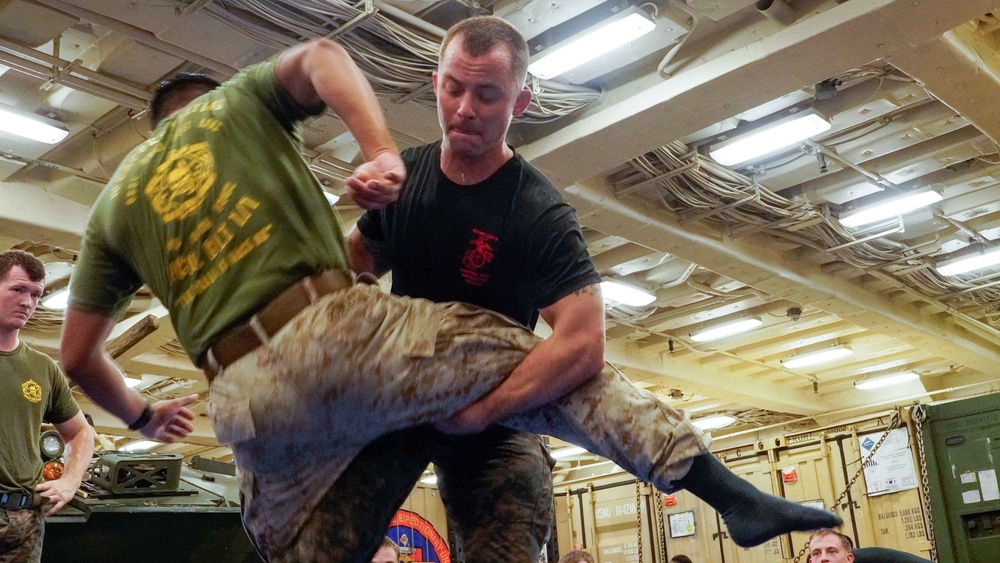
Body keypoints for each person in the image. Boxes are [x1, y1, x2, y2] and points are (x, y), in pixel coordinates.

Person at [60, 29, 839, 563]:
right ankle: (724, 489)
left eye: (487, 96)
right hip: (384, 393)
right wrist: (364, 201)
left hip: (467, 408)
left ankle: (726, 491)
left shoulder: (533, 207)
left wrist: (481, 411)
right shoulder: (386, 169)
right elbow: (360, 252)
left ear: (518, 104)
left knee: (525, 424)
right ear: (434, 85)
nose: (466, 110)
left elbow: (581, 342)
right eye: (455, 91)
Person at [0, 250, 95, 562]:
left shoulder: (42, 368)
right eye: (17, 290)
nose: (28, 303)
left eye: (36, 294)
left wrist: (70, 480)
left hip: (25, 522)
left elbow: (80, 432)